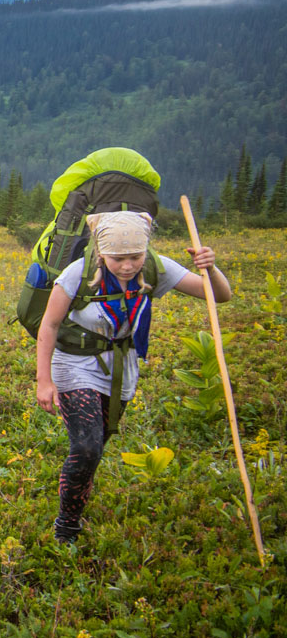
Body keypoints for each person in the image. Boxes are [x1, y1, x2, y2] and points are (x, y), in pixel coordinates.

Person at [35, 212, 229, 545]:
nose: (128, 266)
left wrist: (210, 267)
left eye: (135, 257)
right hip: (75, 362)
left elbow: (218, 295)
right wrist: (44, 380)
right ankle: (67, 526)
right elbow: (49, 325)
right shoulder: (77, 273)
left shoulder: (155, 267)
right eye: (118, 259)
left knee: (96, 446)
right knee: (86, 445)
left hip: (121, 366)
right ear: (101, 252)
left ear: (146, 251)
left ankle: (76, 493)